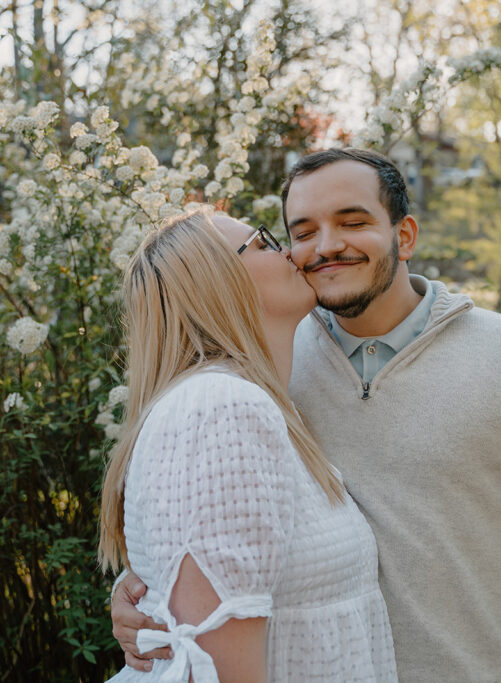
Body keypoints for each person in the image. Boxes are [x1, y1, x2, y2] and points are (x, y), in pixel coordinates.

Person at [112, 149, 501, 681]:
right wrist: (140, 589)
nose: (326, 246)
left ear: (405, 236)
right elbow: (212, 522)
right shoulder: (261, 371)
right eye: (301, 232)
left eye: (353, 222)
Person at [98, 207, 397, 682]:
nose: (290, 252)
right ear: (215, 284)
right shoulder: (221, 408)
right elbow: (215, 667)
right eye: (262, 242)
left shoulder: (266, 405)